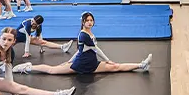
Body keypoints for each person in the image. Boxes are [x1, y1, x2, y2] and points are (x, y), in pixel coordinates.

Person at [19, 12, 151, 77]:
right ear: (83, 22)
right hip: (80, 64)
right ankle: (28, 67)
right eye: (87, 21)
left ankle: (141, 64)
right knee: (52, 70)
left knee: (116, 67)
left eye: (91, 20)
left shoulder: (90, 33)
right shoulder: (83, 35)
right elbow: (95, 49)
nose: (90, 22)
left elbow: (80, 50)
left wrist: (68, 61)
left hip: (92, 63)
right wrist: (107, 60)